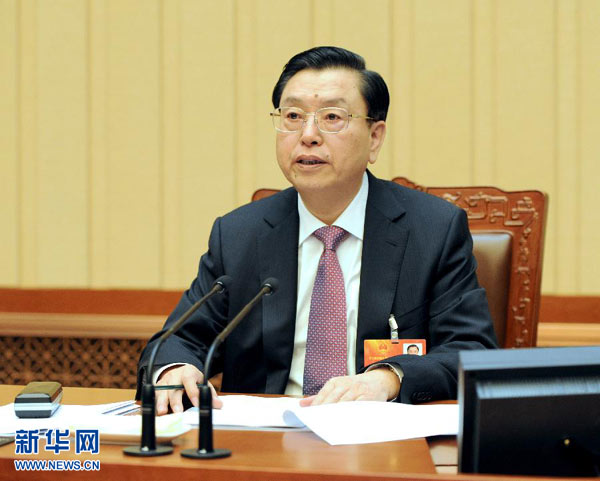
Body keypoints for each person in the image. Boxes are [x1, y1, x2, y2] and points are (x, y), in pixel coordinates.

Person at [136, 46, 498, 414]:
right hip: (262, 436)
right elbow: (177, 340)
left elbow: (471, 350)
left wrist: (388, 379)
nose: (308, 134)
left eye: (332, 117)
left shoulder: (432, 230)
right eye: (293, 116)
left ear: (374, 137)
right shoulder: (239, 234)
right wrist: (175, 367)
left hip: (380, 435)